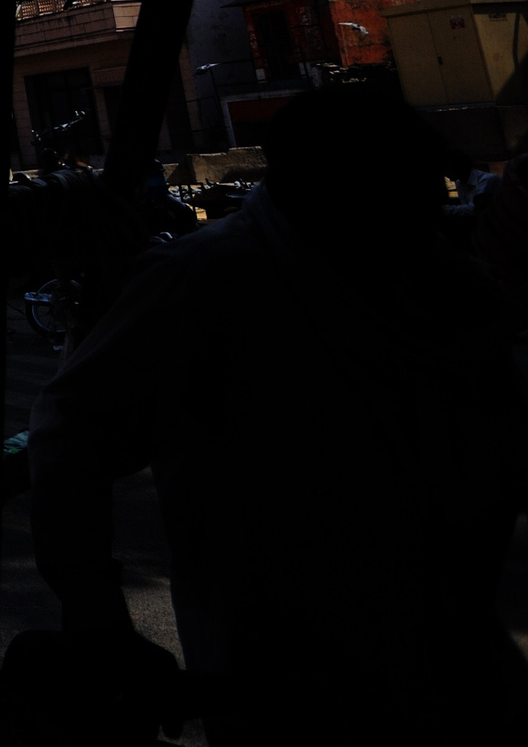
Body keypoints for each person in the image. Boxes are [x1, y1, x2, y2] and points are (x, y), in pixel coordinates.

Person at [29, 82, 528, 744]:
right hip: (286, 673)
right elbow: (71, 432)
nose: (430, 203)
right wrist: (98, 618)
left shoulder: (443, 284)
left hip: (455, 645)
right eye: (407, 184)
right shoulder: (210, 280)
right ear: (334, 190)